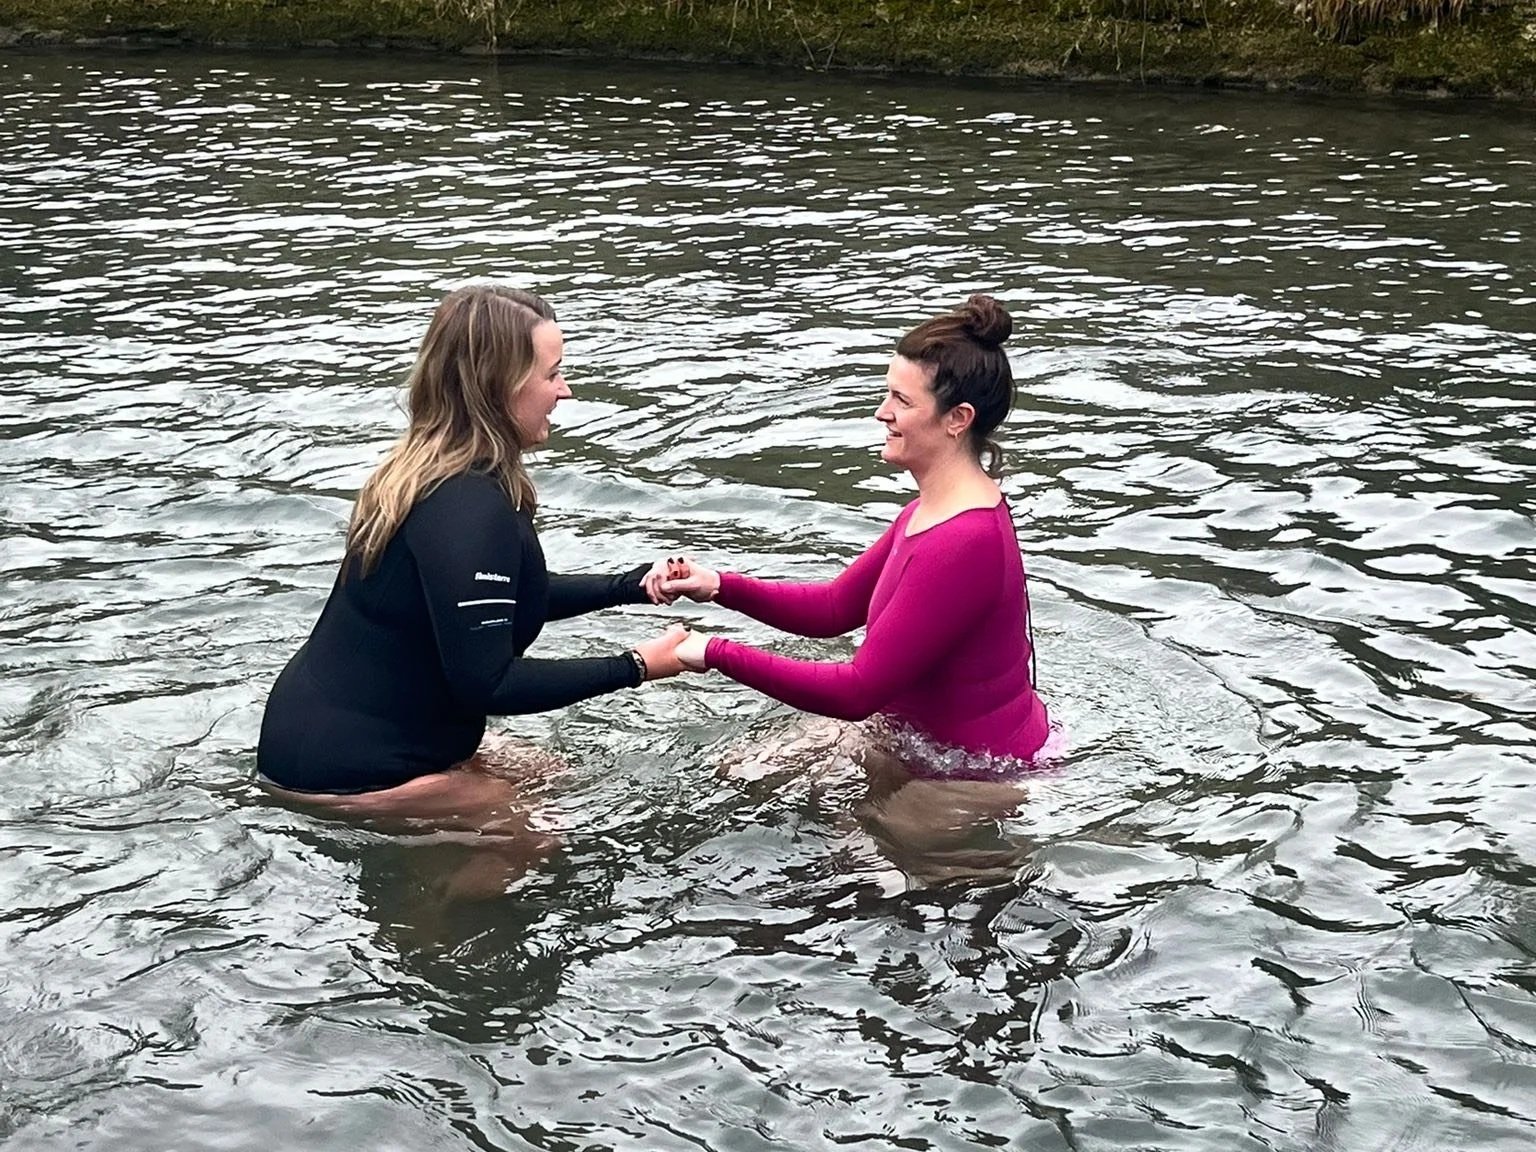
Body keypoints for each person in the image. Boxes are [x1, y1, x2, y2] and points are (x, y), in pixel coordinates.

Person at [257, 284, 690, 819]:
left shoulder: (441, 475)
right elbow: (489, 682)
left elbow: (486, 602)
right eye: (552, 374)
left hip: (334, 740)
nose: (566, 390)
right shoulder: (465, 505)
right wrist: (637, 665)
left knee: (553, 775)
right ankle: (438, 897)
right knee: (536, 839)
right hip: (345, 768)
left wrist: (631, 586)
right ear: (498, 387)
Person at [660, 294, 1048, 776]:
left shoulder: (963, 541)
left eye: (901, 401)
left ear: (957, 419)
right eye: (887, 393)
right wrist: (719, 586)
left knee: (851, 848)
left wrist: (716, 652)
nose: (881, 413)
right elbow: (834, 608)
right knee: (738, 770)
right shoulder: (930, 512)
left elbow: (856, 691)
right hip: (911, 740)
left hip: (975, 774)